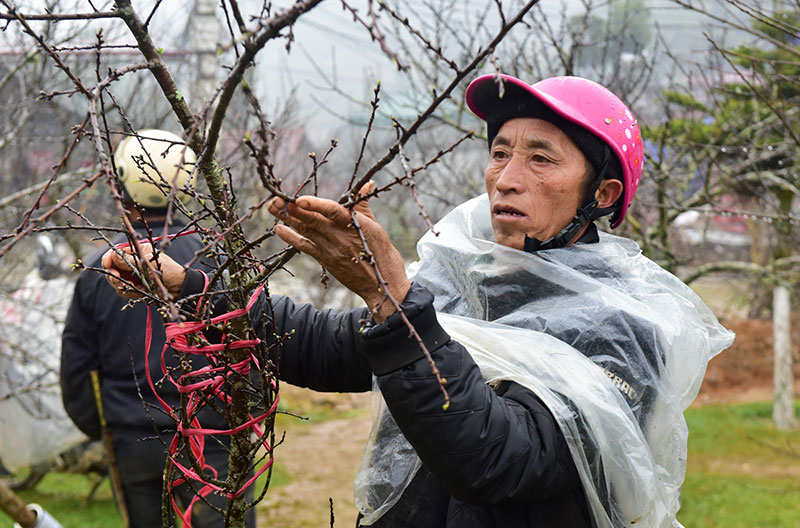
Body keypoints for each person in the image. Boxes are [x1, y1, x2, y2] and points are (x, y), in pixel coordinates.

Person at [101, 77, 733, 527]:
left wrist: (392, 298)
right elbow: (334, 347)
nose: (507, 177)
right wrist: (193, 290)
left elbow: (498, 460)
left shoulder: (625, 331)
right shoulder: (474, 280)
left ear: (603, 194)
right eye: (500, 152)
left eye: (541, 158)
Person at [60, 130, 256, 528]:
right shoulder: (220, 259)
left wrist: (105, 428)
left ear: (121, 186)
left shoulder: (100, 268)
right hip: (213, 436)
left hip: (133, 441)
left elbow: (76, 371)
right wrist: (243, 416)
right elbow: (253, 343)